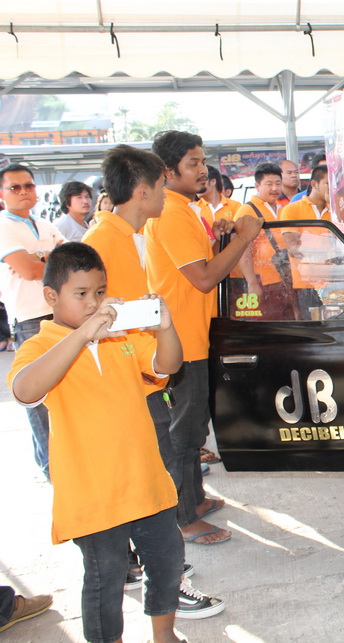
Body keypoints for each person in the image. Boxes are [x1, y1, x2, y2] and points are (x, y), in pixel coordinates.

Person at [8, 242, 188, 643]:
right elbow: (24, 390)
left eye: (100, 291)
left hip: (144, 481)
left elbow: (168, 364)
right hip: (92, 495)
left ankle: (165, 634)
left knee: (167, 560)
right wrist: (83, 336)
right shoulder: (40, 346)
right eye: (81, 293)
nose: (93, 303)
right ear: (51, 296)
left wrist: (165, 327)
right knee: (106, 578)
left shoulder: (121, 337)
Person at [83, 145, 228, 616]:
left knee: (154, 475)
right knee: (155, 481)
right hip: (126, 384)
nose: (167, 194)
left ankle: (144, 566)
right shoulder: (105, 241)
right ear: (143, 191)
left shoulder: (122, 235)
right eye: (162, 186)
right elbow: (95, 319)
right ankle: (166, 580)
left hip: (141, 375)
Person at [145, 131, 262, 544]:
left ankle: (194, 500)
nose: (203, 170)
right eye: (192, 162)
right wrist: (244, 238)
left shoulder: (187, 208)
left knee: (194, 428)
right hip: (182, 340)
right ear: (167, 170)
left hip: (194, 334)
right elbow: (204, 278)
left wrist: (221, 235)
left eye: (202, 161)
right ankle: (183, 517)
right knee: (185, 434)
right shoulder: (172, 213)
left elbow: (203, 262)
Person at [0, 162, 65, 478]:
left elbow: (72, 257)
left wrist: (41, 258)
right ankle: (52, 467)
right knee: (38, 397)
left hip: (61, 316)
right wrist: (48, 258)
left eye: (28, 185)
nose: (23, 191)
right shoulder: (3, 226)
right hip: (29, 320)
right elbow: (28, 271)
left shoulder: (44, 223)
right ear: (2, 194)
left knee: (65, 392)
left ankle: (67, 462)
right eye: (15, 187)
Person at [234, 162, 295, 320]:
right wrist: (252, 283)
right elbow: (241, 250)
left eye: (278, 183)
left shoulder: (282, 209)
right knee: (266, 324)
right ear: (257, 186)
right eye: (269, 184)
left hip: (285, 280)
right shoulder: (247, 210)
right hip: (263, 282)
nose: (275, 188)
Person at [281, 164, 330, 317]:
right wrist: (326, 253)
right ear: (314, 184)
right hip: (306, 283)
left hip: (335, 280)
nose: (333, 189)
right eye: (328, 184)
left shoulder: (336, 211)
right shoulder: (292, 209)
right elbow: (293, 249)